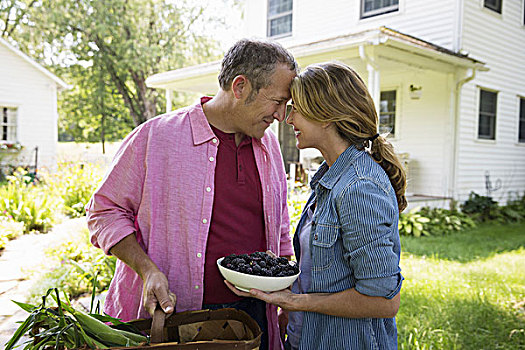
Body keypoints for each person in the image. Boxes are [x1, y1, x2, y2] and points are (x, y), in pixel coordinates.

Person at [85, 39, 298, 350]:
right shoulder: (157, 137)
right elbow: (104, 212)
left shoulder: (270, 147)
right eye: (277, 102)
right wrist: (148, 271)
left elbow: (279, 230)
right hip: (175, 318)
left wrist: (282, 302)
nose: (281, 116)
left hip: (254, 315)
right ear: (240, 87)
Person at [226, 61, 407, 349]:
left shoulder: (358, 188)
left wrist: (295, 301)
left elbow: (383, 301)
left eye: (296, 107)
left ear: (326, 115)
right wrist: (289, 302)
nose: (287, 118)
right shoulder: (330, 178)